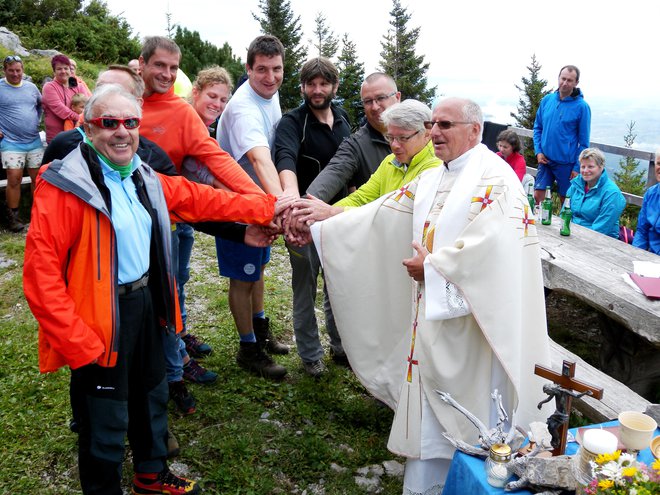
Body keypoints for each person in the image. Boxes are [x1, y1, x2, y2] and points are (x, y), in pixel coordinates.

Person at [23, 84, 285, 495]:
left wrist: (274, 209)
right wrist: (79, 344)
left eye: (131, 122)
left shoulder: (143, 177)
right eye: (109, 123)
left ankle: (150, 475)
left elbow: (205, 200)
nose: (122, 131)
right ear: (88, 129)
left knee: (151, 393)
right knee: (104, 418)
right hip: (98, 318)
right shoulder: (63, 185)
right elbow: (41, 278)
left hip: (146, 304)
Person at [310, 97, 551, 494]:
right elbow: (383, 211)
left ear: (475, 130)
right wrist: (324, 220)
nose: (435, 132)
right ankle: (428, 483)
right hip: (432, 316)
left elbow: (493, 251)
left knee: (472, 407)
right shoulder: (436, 174)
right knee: (430, 406)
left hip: (474, 326)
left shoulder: (496, 180)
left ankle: (472, 481)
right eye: (433, 123)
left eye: (445, 124)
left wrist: (434, 271)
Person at [137, 36, 275, 401]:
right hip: (126, 225)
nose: (166, 74)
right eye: (159, 66)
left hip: (172, 221)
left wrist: (263, 202)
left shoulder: (181, 114)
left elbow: (217, 162)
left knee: (171, 288)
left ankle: (175, 362)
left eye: (172, 67)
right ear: (142, 64)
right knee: (135, 303)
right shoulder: (125, 105)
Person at [216, 35, 291, 380]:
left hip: (257, 204)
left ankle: (260, 330)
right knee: (242, 279)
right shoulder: (245, 107)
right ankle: (248, 349)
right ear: (247, 69)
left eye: (276, 69)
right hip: (236, 206)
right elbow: (261, 161)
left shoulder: (270, 97)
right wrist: (284, 205)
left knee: (257, 271)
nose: (270, 77)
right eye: (261, 69)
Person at [273, 57, 352, 377]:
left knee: (338, 284)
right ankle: (310, 354)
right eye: (311, 84)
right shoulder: (293, 122)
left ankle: (340, 345)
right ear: (303, 86)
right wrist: (292, 200)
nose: (317, 90)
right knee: (304, 285)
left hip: (337, 218)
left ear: (334, 86)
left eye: (324, 84)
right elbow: (285, 158)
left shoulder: (344, 119)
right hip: (303, 217)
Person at [289, 99, 440, 233]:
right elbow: (361, 198)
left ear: (427, 133)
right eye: (390, 137)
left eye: (403, 138)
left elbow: (396, 215)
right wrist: (316, 216)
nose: (394, 145)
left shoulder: (435, 168)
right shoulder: (390, 161)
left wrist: (332, 213)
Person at [305, 72, 400, 202]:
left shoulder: (423, 134)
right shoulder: (355, 146)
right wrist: (301, 208)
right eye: (368, 101)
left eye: (381, 98)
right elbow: (333, 174)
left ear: (398, 97)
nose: (375, 107)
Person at [533, 65, 591, 205]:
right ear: (558, 78)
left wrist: (577, 167)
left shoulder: (582, 107)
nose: (565, 83)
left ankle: (564, 226)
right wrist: (538, 151)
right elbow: (538, 128)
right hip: (545, 159)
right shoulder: (547, 100)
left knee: (566, 201)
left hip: (566, 163)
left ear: (576, 83)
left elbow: (584, 142)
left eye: (569, 80)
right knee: (537, 196)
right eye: (563, 79)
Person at [0, 55, 42, 232]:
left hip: (33, 140)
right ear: (5, 70)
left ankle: (39, 215)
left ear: (23, 70)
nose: (15, 74)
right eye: (11, 70)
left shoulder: (31, 87)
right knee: (14, 178)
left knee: (37, 179)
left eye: (18, 70)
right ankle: (14, 218)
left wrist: (36, 120)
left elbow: (40, 105)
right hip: (10, 141)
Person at [564, 147, 626, 238]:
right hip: (572, 235)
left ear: (601, 167)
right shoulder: (575, 185)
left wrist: (575, 238)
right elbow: (564, 213)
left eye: (590, 166)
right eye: (583, 166)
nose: (585, 171)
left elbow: (601, 229)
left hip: (600, 242)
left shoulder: (612, 193)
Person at [42, 54, 87, 143]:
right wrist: (80, 118)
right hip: (57, 138)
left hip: (79, 137)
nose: (63, 71)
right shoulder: (49, 87)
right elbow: (61, 110)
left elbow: (88, 106)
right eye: (59, 69)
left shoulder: (79, 86)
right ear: (54, 71)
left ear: (70, 70)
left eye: (66, 68)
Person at [633, 152, 660, 254]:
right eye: (659, 163)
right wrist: (636, 254)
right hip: (650, 255)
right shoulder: (651, 193)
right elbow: (642, 231)